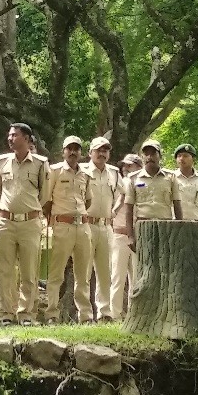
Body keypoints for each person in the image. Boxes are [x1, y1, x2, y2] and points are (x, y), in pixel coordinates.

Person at [0, 123, 49, 326]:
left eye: (14, 135)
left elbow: (44, 195)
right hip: (5, 222)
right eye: (9, 135)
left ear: (26, 139)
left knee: (29, 271)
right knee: (4, 271)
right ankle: (6, 314)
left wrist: (28, 210)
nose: (10, 138)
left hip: (30, 223)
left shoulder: (40, 163)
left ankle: (26, 314)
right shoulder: (2, 161)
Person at [44, 136, 94, 324]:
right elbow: (46, 200)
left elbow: (88, 200)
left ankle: (85, 316)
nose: (73, 152)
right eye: (69, 148)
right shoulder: (55, 171)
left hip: (83, 226)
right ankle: (51, 313)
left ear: (81, 152)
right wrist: (54, 221)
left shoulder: (85, 174)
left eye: (76, 149)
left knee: (83, 274)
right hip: (62, 226)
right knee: (56, 273)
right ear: (63, 151)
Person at [82, 136, 120, 322]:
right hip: (86, 224)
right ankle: (84, 313)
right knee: (84, 271)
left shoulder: (114, 173)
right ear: (90, 152)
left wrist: (115, 210)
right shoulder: (82, 171)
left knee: (105, 272)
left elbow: (123, 194)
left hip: (106, 226)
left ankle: (104, 312)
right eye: (98, 150)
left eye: (105, 150)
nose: (102, 154)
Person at [123, 140, 179, 247]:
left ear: (160, 156)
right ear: (142, 157)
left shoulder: (170, 177)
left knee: (165, 256)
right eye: (146, 154)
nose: (149, 157)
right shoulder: (134, 178)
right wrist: (130, 236)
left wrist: (179, 231)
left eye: (153, 154)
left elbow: (177, 205)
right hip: (142, 226)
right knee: (144, 256)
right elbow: (128, 209)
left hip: (165, 226)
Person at [110, 153, 142, 320]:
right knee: (117, 277)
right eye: (124, 165)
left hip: (138, 236)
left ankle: (134, 314)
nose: (125, 168)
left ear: (139, 167)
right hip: (118, 235)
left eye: (130, 165)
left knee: (136, 278)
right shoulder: (118, 184)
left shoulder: (143, 184)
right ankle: (114, 314)